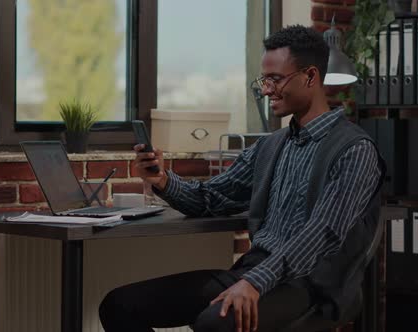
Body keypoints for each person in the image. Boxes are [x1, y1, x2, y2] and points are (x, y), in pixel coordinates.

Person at [99, 25, 385, 332]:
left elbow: (321, 235)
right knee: (119, 306)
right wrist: (162, 180)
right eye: (264, 80)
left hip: (311, 285)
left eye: (275, 79)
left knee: (213, 325)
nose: (265, 90)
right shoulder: (271, 145)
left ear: (311, 77)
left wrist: (254, 282)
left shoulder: (354, 151)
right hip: (253, 270)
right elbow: (212, 198)